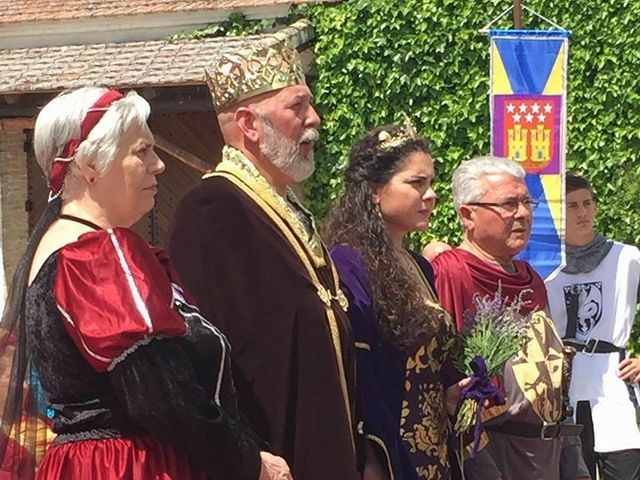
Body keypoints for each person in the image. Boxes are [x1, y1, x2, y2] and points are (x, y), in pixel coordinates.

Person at [0, 86, 291, 480]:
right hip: (131, 467)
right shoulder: (95, 256)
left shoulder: (56, 249)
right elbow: (160, 392)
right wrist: (247, 460)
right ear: (89, 166)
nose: (159, 165)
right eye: (142, 151)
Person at [167, 38, 360, 479]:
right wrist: (246, 455)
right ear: (249, 124)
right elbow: (210, 360)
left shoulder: (282, 205)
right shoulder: (213, 210)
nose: (315, 120)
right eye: (297, 107)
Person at [431, 156, 589, 480]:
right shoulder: (451, 272)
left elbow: (553, 378)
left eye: (526, 202)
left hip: (548, 458)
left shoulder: (532, 280)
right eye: (508, 204)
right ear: (467, 214)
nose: (523, 214)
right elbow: (445, 384)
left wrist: (575, 461)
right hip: (494, 457)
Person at [323, 123, 465, 479]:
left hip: (437, 449)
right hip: (393, 448)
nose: (430, 195)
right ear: (375, 190)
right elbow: (360, 372)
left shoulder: (419, 265)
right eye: (417, 183)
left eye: (431, 183)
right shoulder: (348, 263)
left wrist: (454, 387)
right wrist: (374, 457)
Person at [545, 172, 640, 480]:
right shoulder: (545, 267)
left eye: (587, 203)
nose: (582, 212)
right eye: (572, 206)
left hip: (614, 384)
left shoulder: (627, 258)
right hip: (564, 386)